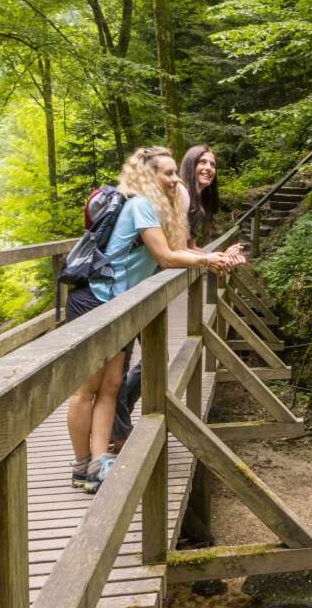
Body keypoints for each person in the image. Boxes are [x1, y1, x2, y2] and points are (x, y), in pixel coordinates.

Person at [67, 147, 234, 494]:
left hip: (121, 306)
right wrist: (207, 261)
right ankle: (82, 464)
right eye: (169, 173)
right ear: (148, 176)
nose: (176, 180)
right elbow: (165, 257)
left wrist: (213, 256)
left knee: (112, 384)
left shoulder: (158, 207)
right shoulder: (141, 203)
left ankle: (99, 462)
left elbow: (179, 248)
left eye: (176, 173)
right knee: (89, 387)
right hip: (95, 301)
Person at [106, 144, 246, 453]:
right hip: (129, 288)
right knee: (121, 369)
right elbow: (172, 251)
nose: (208, 167)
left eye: (213, 163)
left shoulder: (191, 198)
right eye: (202, 162)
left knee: (142, 363)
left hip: (143, 287)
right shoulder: (177, 195)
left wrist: (215, 255)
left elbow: (185, 246)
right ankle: (116, 433)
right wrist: (209, 259)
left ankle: (118, 427)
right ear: (189, 164)